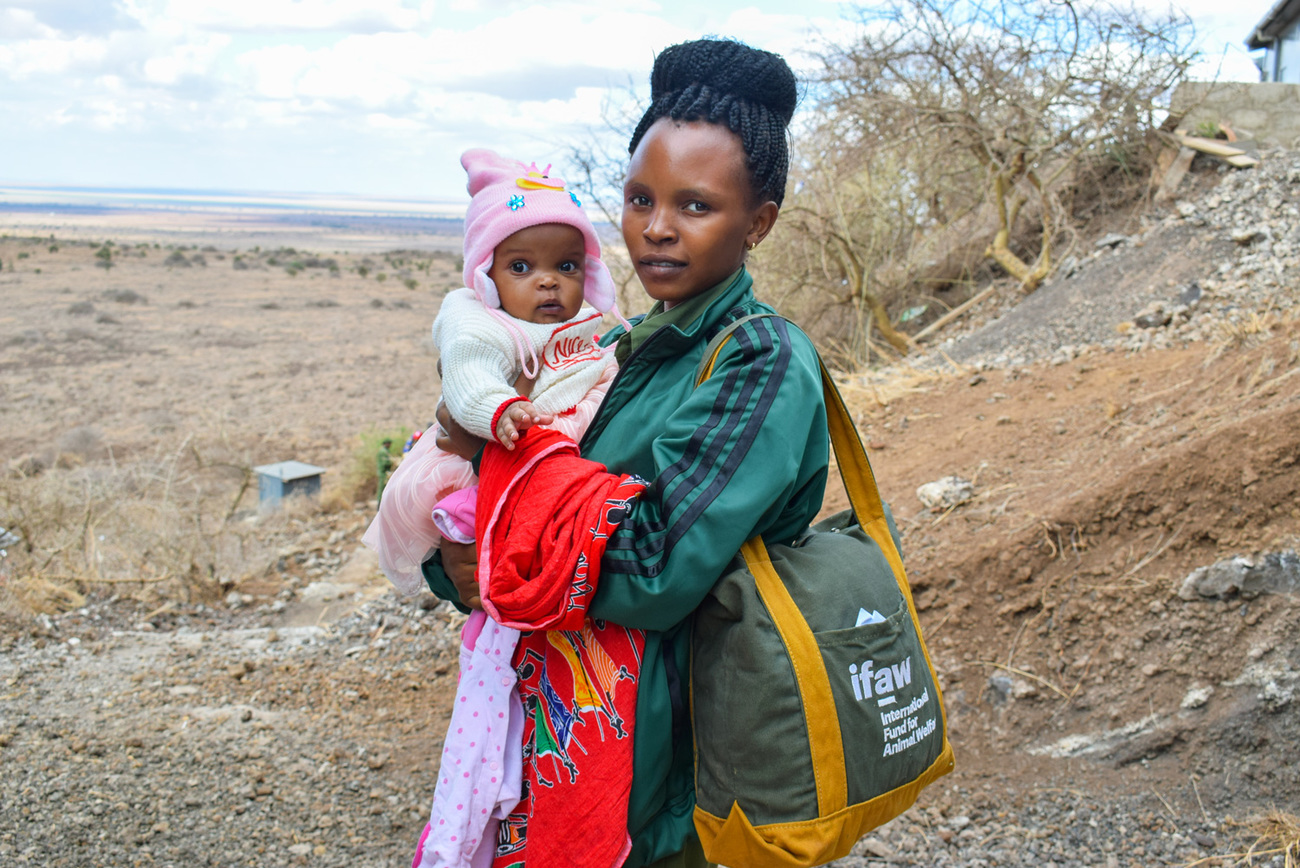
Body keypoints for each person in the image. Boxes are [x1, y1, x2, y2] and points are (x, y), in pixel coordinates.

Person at [424, 38, 830, 868]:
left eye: (695, 206)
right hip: (558, 746)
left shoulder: (760, 361)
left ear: (758, 223)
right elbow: (470, 534)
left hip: (673, 792)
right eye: (640, 198)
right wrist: (463, 545)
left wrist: (506, 523)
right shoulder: (618, 346)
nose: (656, 230)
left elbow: (648, 566)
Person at [362, 148, 627, 597]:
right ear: (486, 274)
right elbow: (468, 369)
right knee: (479, 562)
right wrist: (497, 407)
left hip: (539, 466)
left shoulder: (580, 328)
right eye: (520, 267)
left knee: (505, 579)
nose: (548, 281)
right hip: (479, 453)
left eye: (567, 266)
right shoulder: (477, 318)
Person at [375, 438, 394, 504]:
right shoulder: (383, 452)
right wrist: (392, 461)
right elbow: (385, 463)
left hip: (384, 473)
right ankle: (380, 504)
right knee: (382, 489)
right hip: (383, 473)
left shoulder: (385, 451)